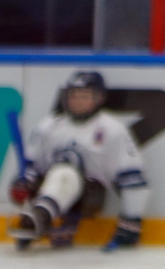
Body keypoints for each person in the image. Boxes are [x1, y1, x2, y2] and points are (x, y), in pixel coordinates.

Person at [11, 70, 148, 252]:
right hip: (49, 186)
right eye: (74, 96)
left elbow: (133, 178)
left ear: (99, 99)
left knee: (66, 172)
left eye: (85, 96)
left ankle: (40, 216)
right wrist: (24, 182)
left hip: (90, 195)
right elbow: (32, 166)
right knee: (56, 173)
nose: (78, 101)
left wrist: (132, 221)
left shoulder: (112, 130)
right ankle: (38, 215)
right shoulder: (49, 125)